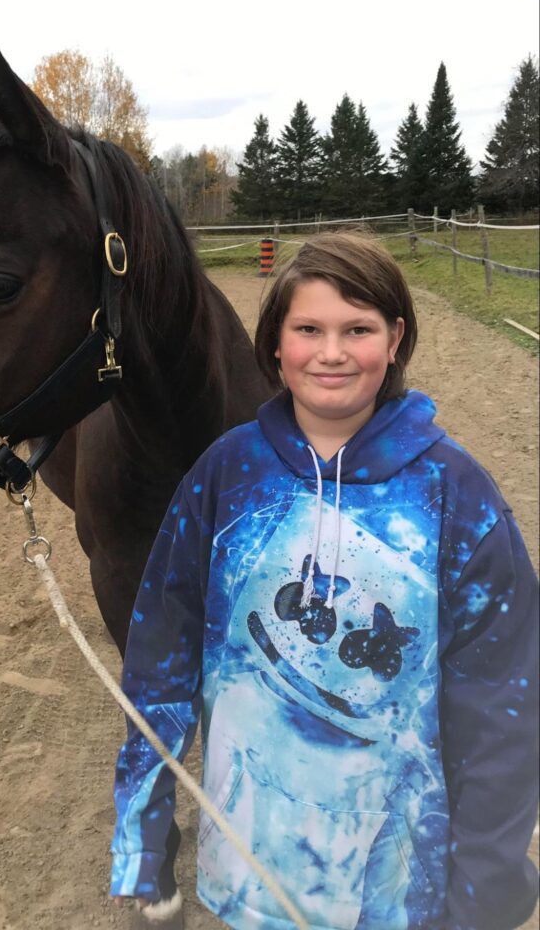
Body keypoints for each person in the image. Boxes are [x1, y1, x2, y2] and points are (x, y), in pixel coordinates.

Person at [109, 233, 539, 930]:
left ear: (395, 338)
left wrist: (486, 891)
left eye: (358, 329)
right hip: (247, 882)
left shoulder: (457, 493)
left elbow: (505, 709)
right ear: (275, 343)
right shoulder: (224, 477)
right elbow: (158, 663)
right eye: (308, 328)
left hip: (401, 898)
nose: (332, 353)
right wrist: (142, 835)